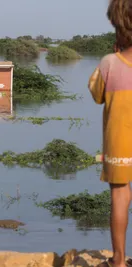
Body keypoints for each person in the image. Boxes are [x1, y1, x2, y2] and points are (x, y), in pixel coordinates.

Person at [89, 1, 132, 266]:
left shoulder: (109, 63)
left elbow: (96, 95)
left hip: (120, 141)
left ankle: (117, 260)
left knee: (120, 194)